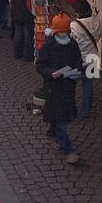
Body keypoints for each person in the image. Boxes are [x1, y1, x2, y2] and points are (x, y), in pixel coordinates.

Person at [38, 14, 85, 164]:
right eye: (61, 31)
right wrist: (51, 73)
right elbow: (40, 65)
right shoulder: (47, 46)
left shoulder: (73, 45)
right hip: (53, 87)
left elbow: (78, 61)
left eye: (66, 31)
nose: (64, 34)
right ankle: (69, 150)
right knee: (61, 121)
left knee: (58, 116)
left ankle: (50, 134)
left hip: (67, 86)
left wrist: (77, 71)